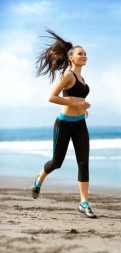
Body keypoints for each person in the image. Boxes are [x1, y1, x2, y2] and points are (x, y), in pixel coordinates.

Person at [31, 28, 97, 219]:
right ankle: (39, 179)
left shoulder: (83, 79)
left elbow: (75, 97)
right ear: (71, 58)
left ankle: (84, 203)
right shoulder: (68, 75)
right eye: (80, 53)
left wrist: (82, 109)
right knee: (56, 163)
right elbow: (52, 97)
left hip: (80, 125)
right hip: (64, 124)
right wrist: (76, 103)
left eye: (85, 53)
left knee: (83, 162)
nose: (84, 56)